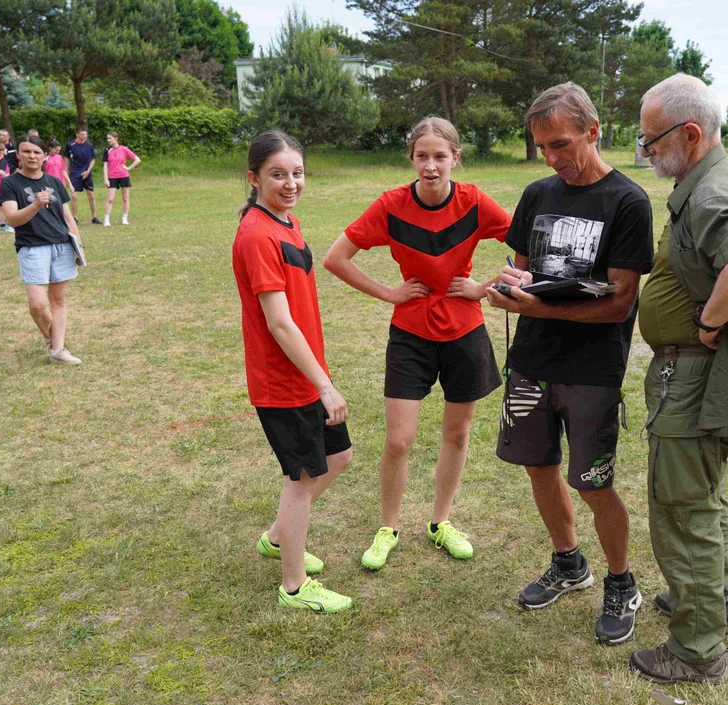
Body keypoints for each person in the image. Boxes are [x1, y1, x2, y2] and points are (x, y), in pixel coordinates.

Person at [627, 74, 728, 685]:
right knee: (700, 497)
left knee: (683, 506)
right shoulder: (707, 179)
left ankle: (697, 651)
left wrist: (707, 319)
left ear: (689, 134)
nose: (645, 151)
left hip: (689, 375)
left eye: (650, 140)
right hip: (689, 371)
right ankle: (715, 605)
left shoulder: (714, 191)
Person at [484, 83, 654, 646]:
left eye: (560, 143)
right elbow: (522, 268)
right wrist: (509, 290)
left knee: (594, 481)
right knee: (539, 466)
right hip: (532, 360)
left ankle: (621, 581)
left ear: (592, 130)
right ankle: (568, 562)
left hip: (592, 370)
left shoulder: (627, 201)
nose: (553, 158)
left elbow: (621, 302)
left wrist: (540, 304)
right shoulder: (536, 194)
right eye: (542, 147)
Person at [323, 117, 511, 570]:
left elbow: (526, 243)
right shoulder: (390, 205)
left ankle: (440, 522)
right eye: (422, 156)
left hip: (465, 331)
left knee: (457, 433)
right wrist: (389, 292)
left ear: (455, 159)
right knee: (399, 440)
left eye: (440, 156)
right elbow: (335, 258)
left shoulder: (474, 201)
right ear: (411, 158)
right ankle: (388, 528)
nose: (431, 165)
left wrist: (484, 287)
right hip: (410, 333)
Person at [232, 130, 354, 613]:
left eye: (296, 173)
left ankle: (279, 538)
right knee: (302, 479)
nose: (290, 183)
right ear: (254, 178)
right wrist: (324, 385)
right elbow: (279, 322)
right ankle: (295, 587)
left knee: (338, 458)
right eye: (277, 174)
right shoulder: (257, 234)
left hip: (306, 373)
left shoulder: (284, 222)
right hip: (284, 382)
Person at [0, 134, 83, 365]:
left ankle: (58, 349)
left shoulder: (54, 182)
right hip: (32, 248)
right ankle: (51, 338)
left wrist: (79, 246)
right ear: (18, 155)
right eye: (26, 152)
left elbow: (68, 218)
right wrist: (35, 204)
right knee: (37, 305)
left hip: (61, 246)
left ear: (45, 156)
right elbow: (12, 219)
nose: (32, 156)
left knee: (59, 301)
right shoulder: (10, 183)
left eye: (37, 152)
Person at [102, 131, 140, 226]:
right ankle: (106, 219)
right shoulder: (107, 150)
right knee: (110, 198)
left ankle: (124, 218)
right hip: (112, 176)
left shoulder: (124, 149)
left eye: (110, 138)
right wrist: (106, 179)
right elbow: (105, 166)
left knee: (126, 198)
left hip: (124, 176)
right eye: (107, 138)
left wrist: (129, 168)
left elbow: (137, 159)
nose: (108, 140)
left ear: (116, 138)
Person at [63, 126, 99, 224]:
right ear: (77, 134)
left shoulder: (89, 146)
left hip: (87, 173)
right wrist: (65, 171)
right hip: (75, 173)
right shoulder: (70, 145)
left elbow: (93, 159)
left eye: (86, 135)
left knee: (91, 194)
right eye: (82, 134)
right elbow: (66, 159)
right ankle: (74, 218)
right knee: (74, 196)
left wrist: (88, 171)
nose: (84, 136)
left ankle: (94, 217)